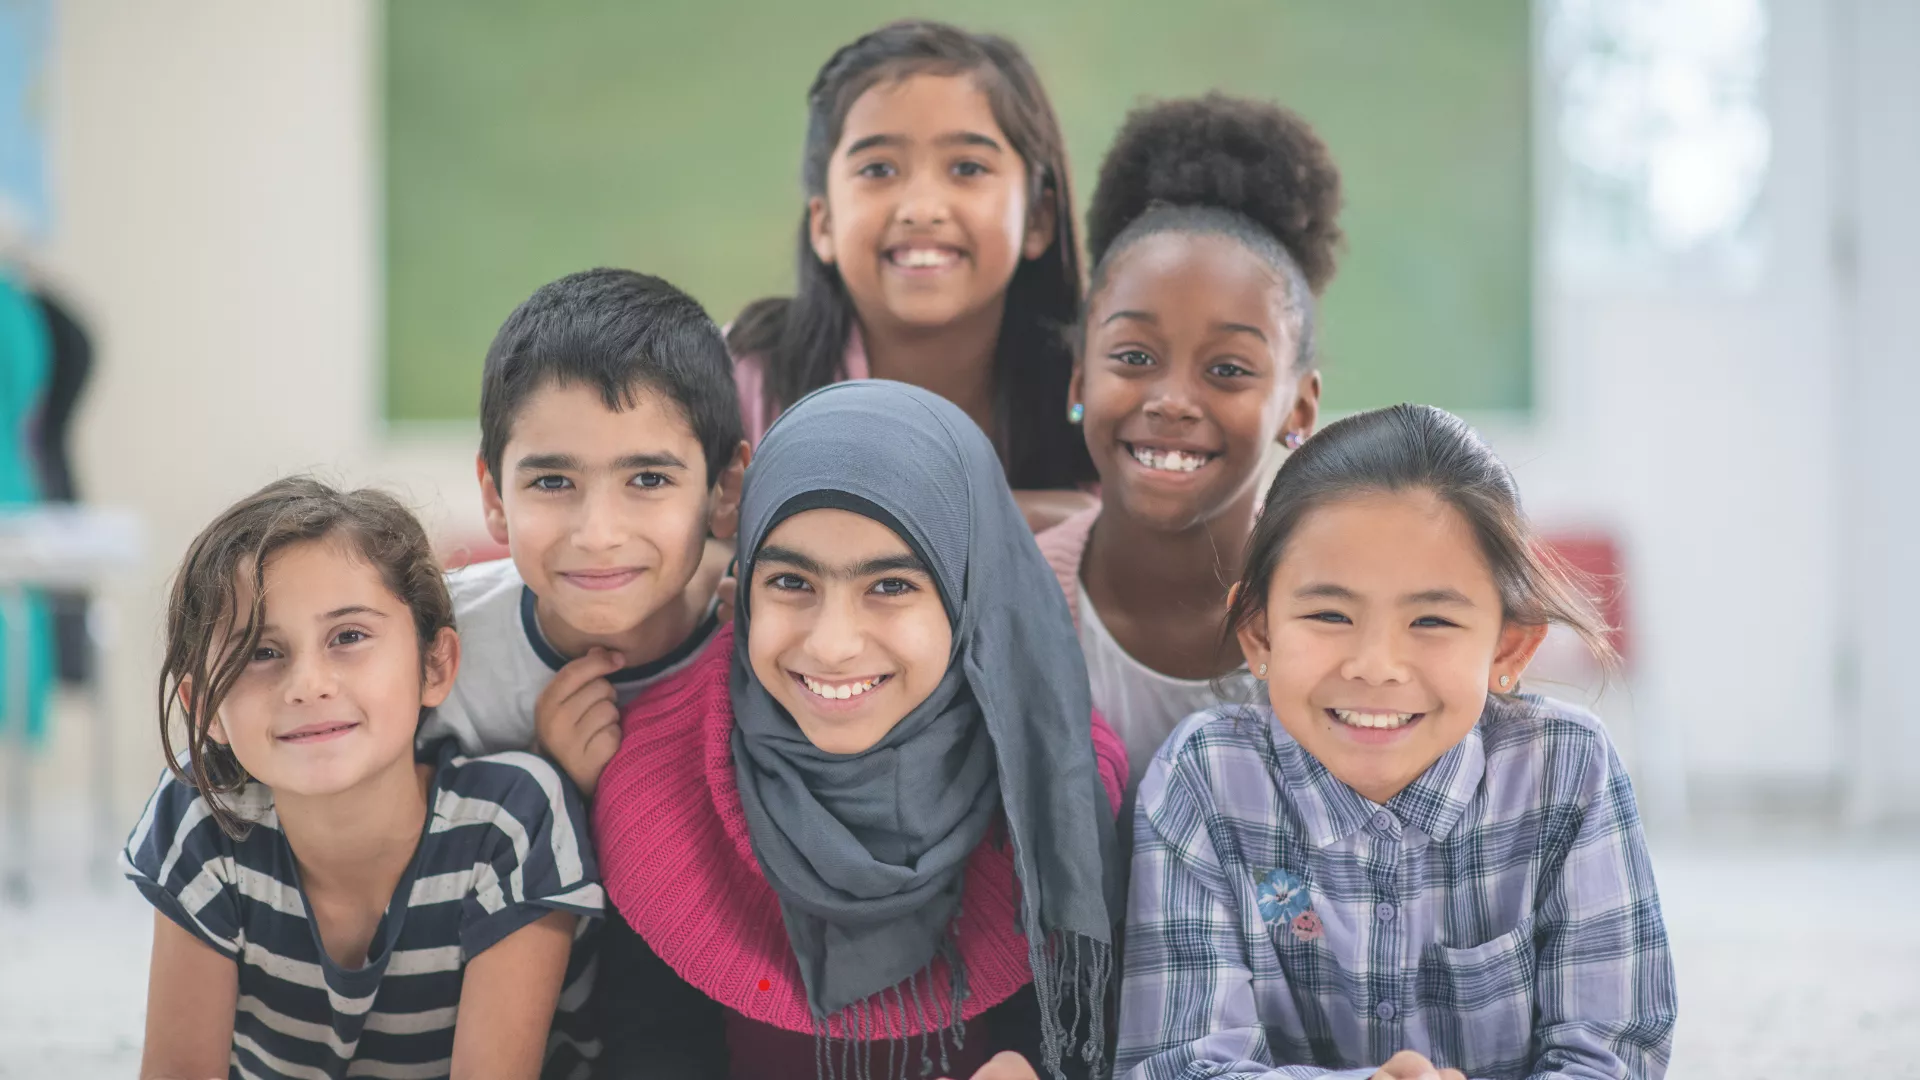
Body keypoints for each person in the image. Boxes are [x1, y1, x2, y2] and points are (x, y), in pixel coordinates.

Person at [1117, 405, 1676, 1079]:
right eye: (1329, 614)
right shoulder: (1204, 776)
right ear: (1260, 634)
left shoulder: (1567, 769)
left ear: (1509, 647)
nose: (1376, 665)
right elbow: (1179, 1065)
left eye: (1432, 620)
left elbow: (1611, 1057)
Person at [590, 381, 1126, 1080]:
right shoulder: (656, 785)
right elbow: (651, 1046)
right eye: (790, 583)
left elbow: (1079, 1035)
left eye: (891, 586)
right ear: (744, 584)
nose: (833, 644)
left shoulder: (1057, 779)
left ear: (969, 595)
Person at [124, 476, 602, 1079]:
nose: (308, 684)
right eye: (261, 652)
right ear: (204, 709)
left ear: (435, 665)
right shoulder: (203, 815)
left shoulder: (512, 819)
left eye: (348, 637)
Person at [1037, 94, 1341, 835]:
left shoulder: (1344, 628)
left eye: (1229, 369)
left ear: (1298, 409)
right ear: (1079, 381)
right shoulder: (1008, 604)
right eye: (1134, 357)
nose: (1173, 400)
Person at [726, 19, 1095, 530]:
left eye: (967, 168)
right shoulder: (740, 380)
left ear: (1038, 218)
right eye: (879, 170)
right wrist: (1015, 521)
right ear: (824, 222)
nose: (921, 208)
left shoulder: (1101, 391)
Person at [422, 269, 747, 799]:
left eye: (648, 479)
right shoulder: (433, 652)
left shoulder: (772, 644)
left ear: (725, 488)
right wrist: (540, 774)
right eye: (553, 481)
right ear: (495, 497)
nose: (598, 535)